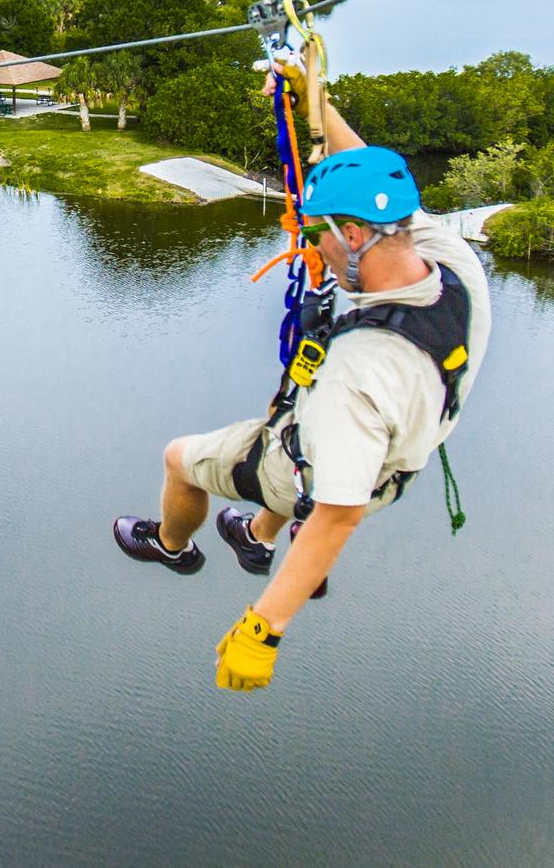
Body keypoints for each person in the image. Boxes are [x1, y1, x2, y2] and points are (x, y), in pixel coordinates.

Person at [113, 88, 491, 691]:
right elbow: (365, 166)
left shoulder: (358, 375)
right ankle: (258, 536)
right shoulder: (452, 266)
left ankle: (172, 546)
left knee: (184, 459)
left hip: (335, 477)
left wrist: (263, 630)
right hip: (395, 458)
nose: (310, 245)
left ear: (354, 234)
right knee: (298, 444)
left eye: (316, 234)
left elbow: (337, 516)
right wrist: (308, 96)